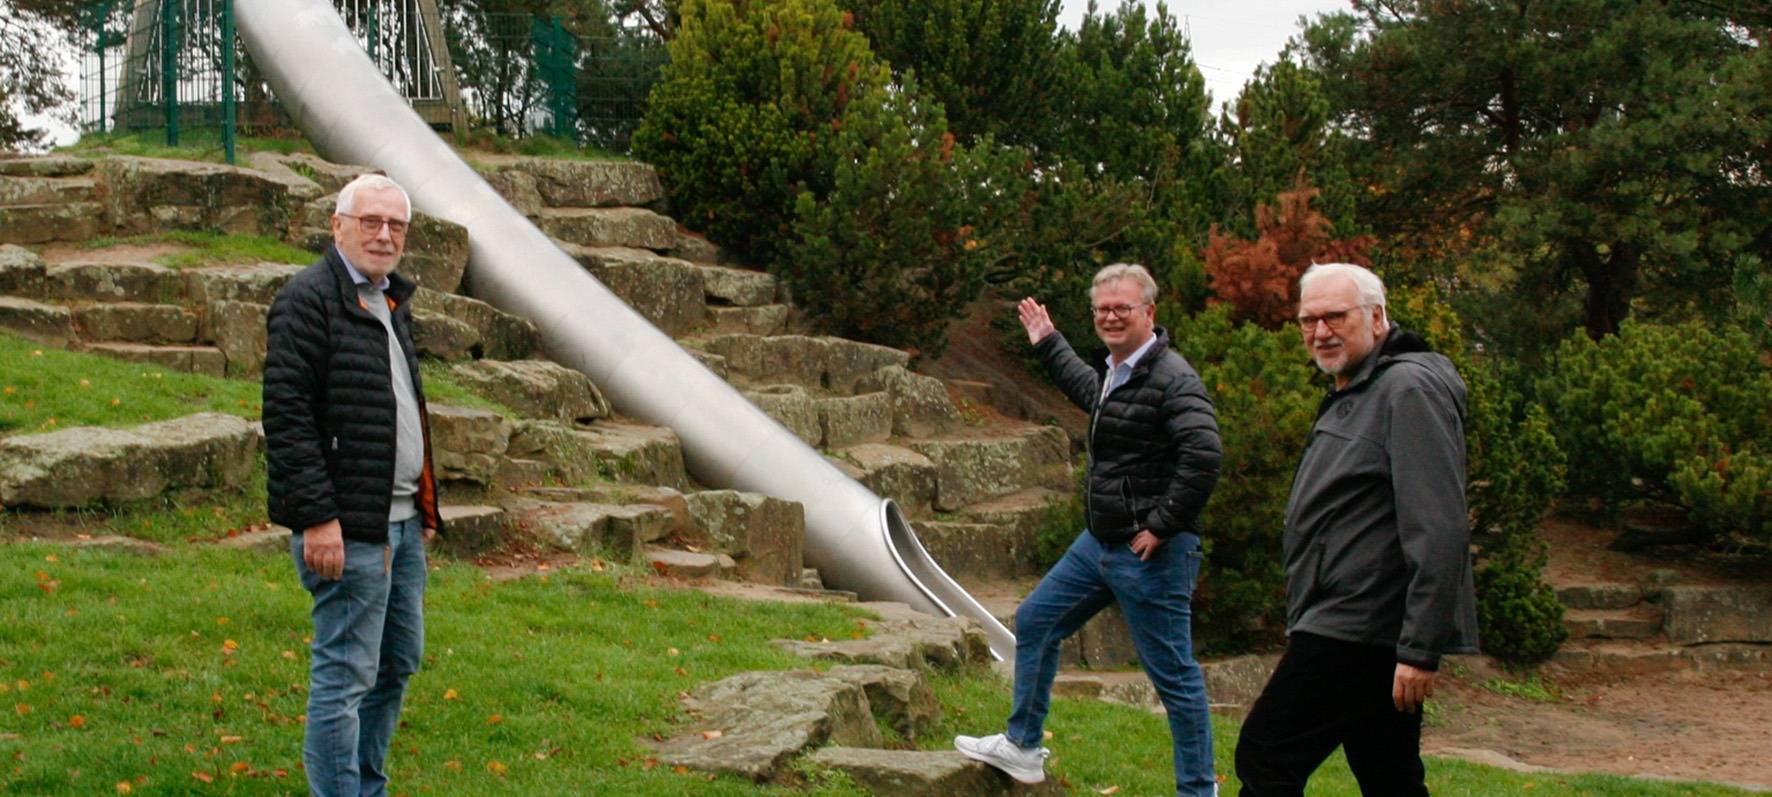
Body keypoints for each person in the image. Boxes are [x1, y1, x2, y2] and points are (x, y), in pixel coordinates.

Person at [956, 263, 1223, 796]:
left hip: (1150, 553)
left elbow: (1205, 454)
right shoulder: (1120, 371)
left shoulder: (1173, 378)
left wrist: (1162, 526)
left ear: (1150, 312)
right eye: (1102, 309)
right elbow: (1089, 389)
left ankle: (1198, 791)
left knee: (1174, 676)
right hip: (1098, 544)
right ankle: (1022, 747)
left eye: (1123, 307)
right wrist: (1049, 340)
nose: (1111, 317)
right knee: (1036, 621)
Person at [1233, 262, 1478, 796]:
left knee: (1266, 754)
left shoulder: (1408, 388)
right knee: (1388, 773)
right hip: (1353, 618)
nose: (1321, 332)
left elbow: (1438, 526)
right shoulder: (1360, 387)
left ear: (1377, 316)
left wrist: (1418, 648)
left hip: (1361, 622)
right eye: (1308, 320)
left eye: (1336, 317)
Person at [264, 173, 444, 797]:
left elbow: (402, 407)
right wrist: (316, 518)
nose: (384, 234)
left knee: (396, 664)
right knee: (344, 677)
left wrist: (423, 503)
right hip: (347, 529)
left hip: (401, 526)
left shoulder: (391, 302)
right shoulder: (307, 300)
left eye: (396, 225)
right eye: (370, 221)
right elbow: (287, 417)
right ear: (337, 225)